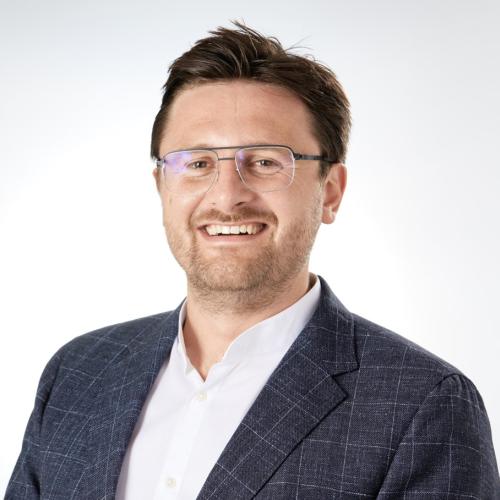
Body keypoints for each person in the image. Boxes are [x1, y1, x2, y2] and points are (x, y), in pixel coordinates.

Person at [6, 22, 499, 500]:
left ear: (330, 192)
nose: (227, 196)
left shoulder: (423, 406)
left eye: (265, 162)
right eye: (197, 163)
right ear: (161, 187)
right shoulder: (79, 373)